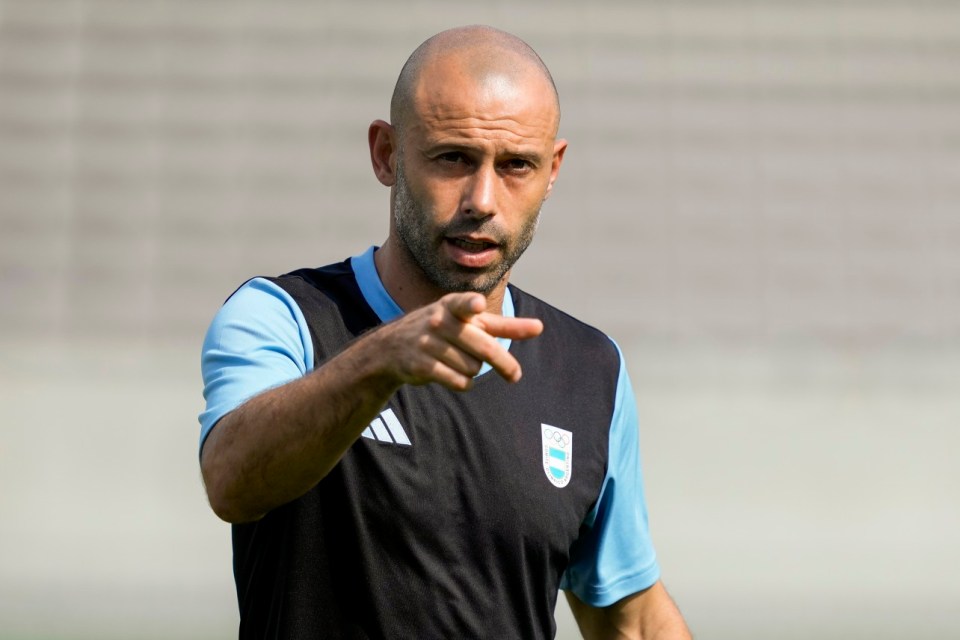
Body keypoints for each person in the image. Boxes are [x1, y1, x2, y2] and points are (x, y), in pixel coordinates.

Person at [199, 25, 691, 640]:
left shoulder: (591, 371)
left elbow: (631, 619)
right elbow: (232, 482)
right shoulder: (283, 316)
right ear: (386, 154)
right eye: (453, 158)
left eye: (516, 166)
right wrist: (380, 359)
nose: (483, 199)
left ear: (553, 169)